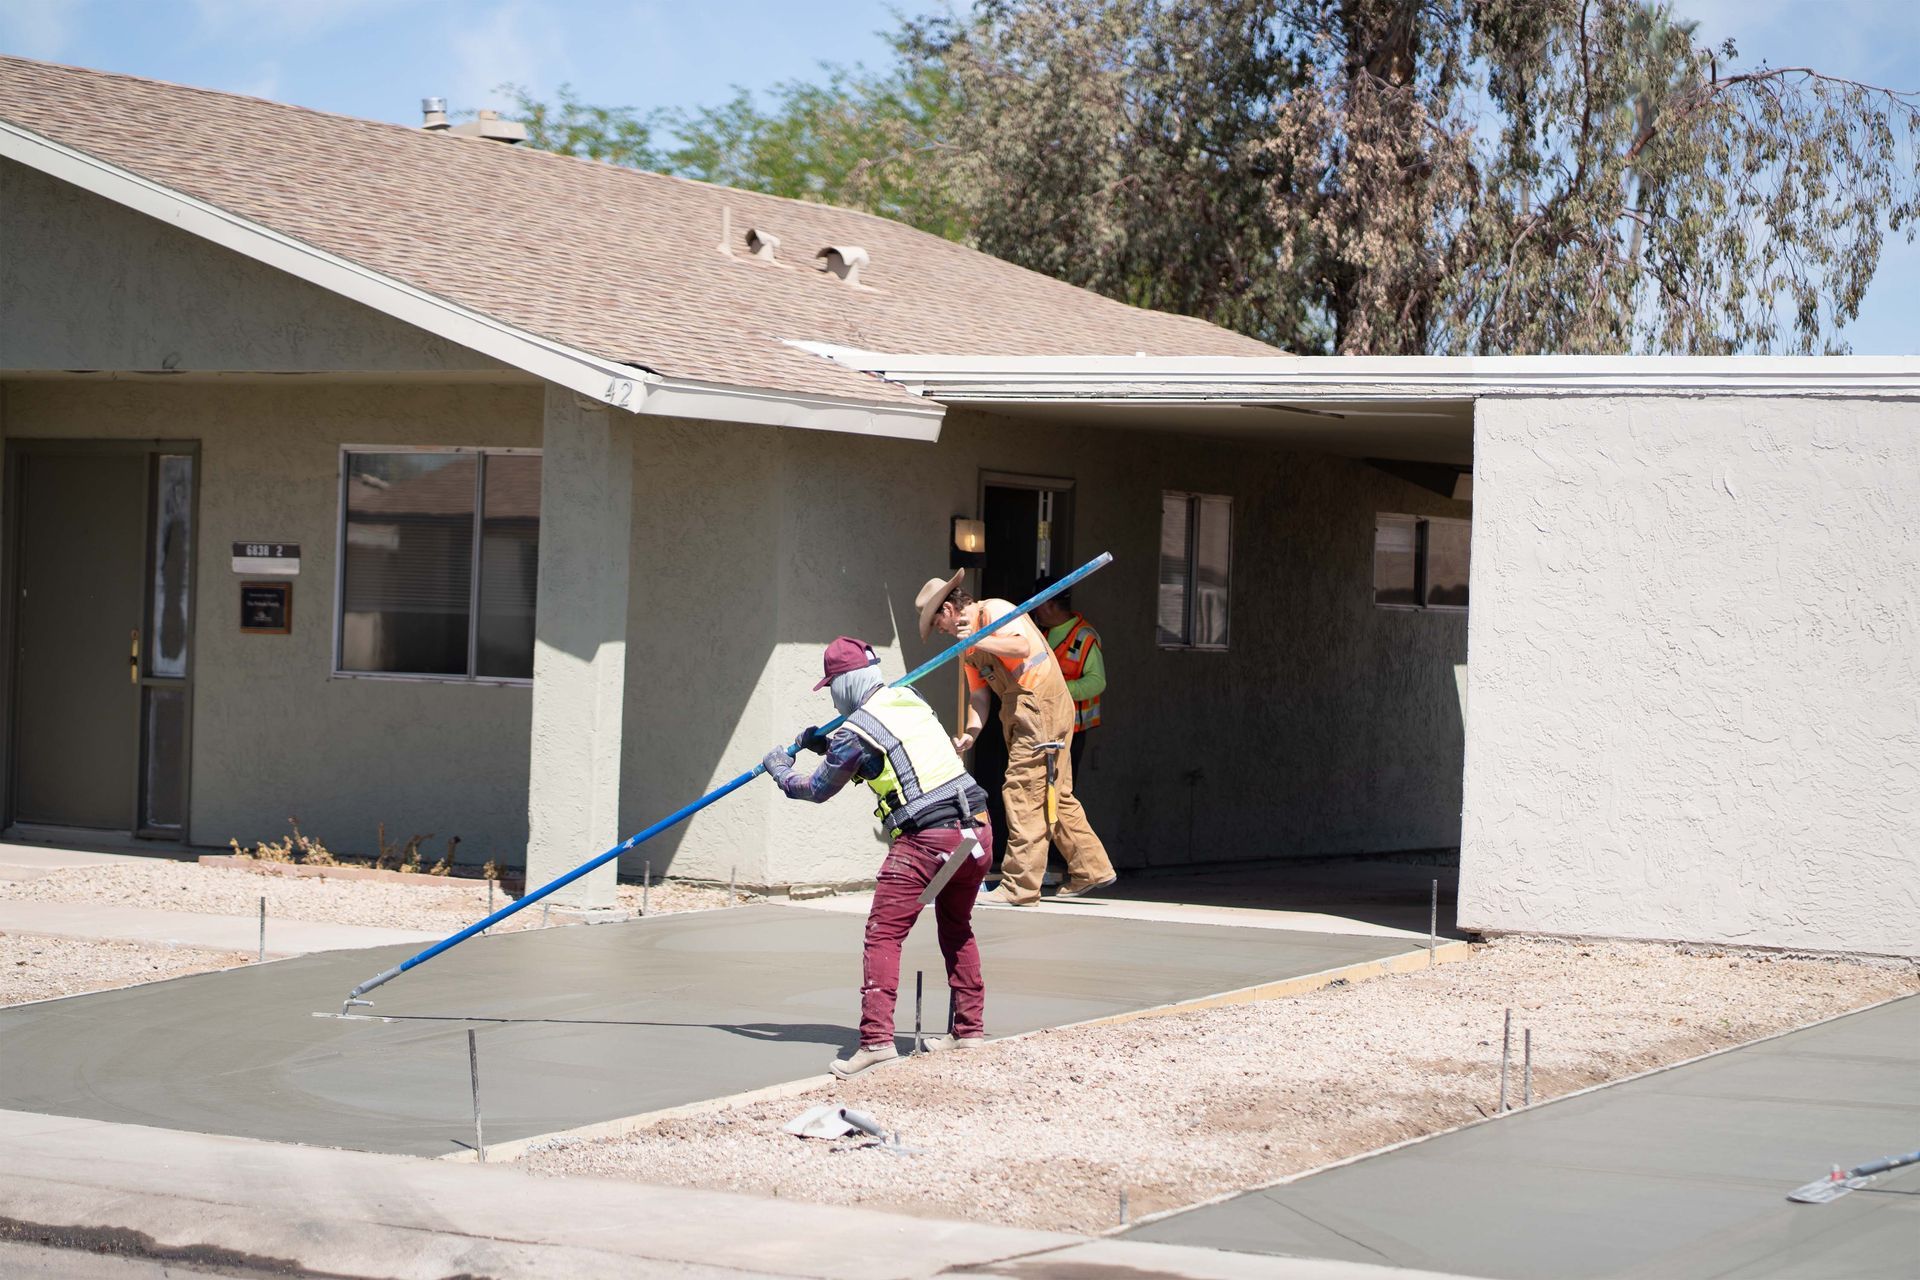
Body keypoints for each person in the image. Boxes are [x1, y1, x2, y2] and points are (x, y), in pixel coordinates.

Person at [763, 636, 994, 1079]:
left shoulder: (852, 734)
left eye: (832, 685)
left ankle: (877, 1042)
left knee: (882, 934)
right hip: (977, 827)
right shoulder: (909, 697)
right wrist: (824, 745)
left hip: (929, 839)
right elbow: (887, 751)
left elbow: (815, 789)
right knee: (957, 924)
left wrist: (780, 769)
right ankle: (969, 1031)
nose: (831, 694)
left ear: (845, 685)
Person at [914, 571, 1117, 906]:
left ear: (948, 610)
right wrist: (970, 733)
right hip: (1023, 710)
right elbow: (979, 698)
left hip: (1039, 703)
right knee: (1055, 792)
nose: (941, 631)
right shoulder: (969, 650)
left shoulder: (993, 611)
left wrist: (977, 638)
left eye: (938, 624)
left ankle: (1019, 886)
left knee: (1023, 789)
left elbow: (1020, 646)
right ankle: (1090, 867)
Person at [1031, 575, 1105, 779]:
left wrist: (1059, 689)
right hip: (1043, 726)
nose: (1034, 610)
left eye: (1037, 604)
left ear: (1050, 605)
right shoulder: (1042, 633)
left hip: (1071, 730)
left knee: (1063, 791)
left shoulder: (1084, 637)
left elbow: (1097, 682)